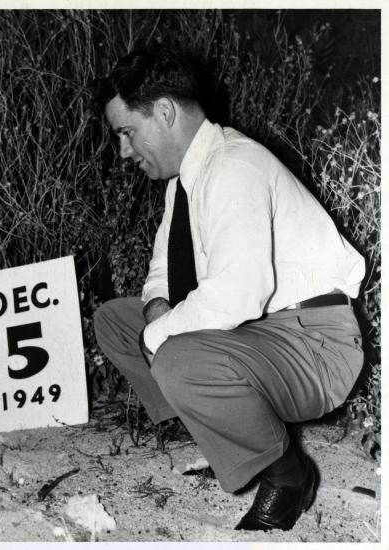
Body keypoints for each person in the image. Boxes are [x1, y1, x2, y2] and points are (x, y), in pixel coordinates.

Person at [92, 43, 365, 532]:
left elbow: (240, 295)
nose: (124, 151)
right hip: (263, 334)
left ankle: (286, 473)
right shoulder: (185, 181)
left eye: (127, 133)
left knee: (175, 355)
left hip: (314, 343)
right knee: (116, 320)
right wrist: (156, 310)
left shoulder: (233, 166)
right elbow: (161, 269)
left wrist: (159, 337)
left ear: (166, 112)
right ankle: (216, 430)